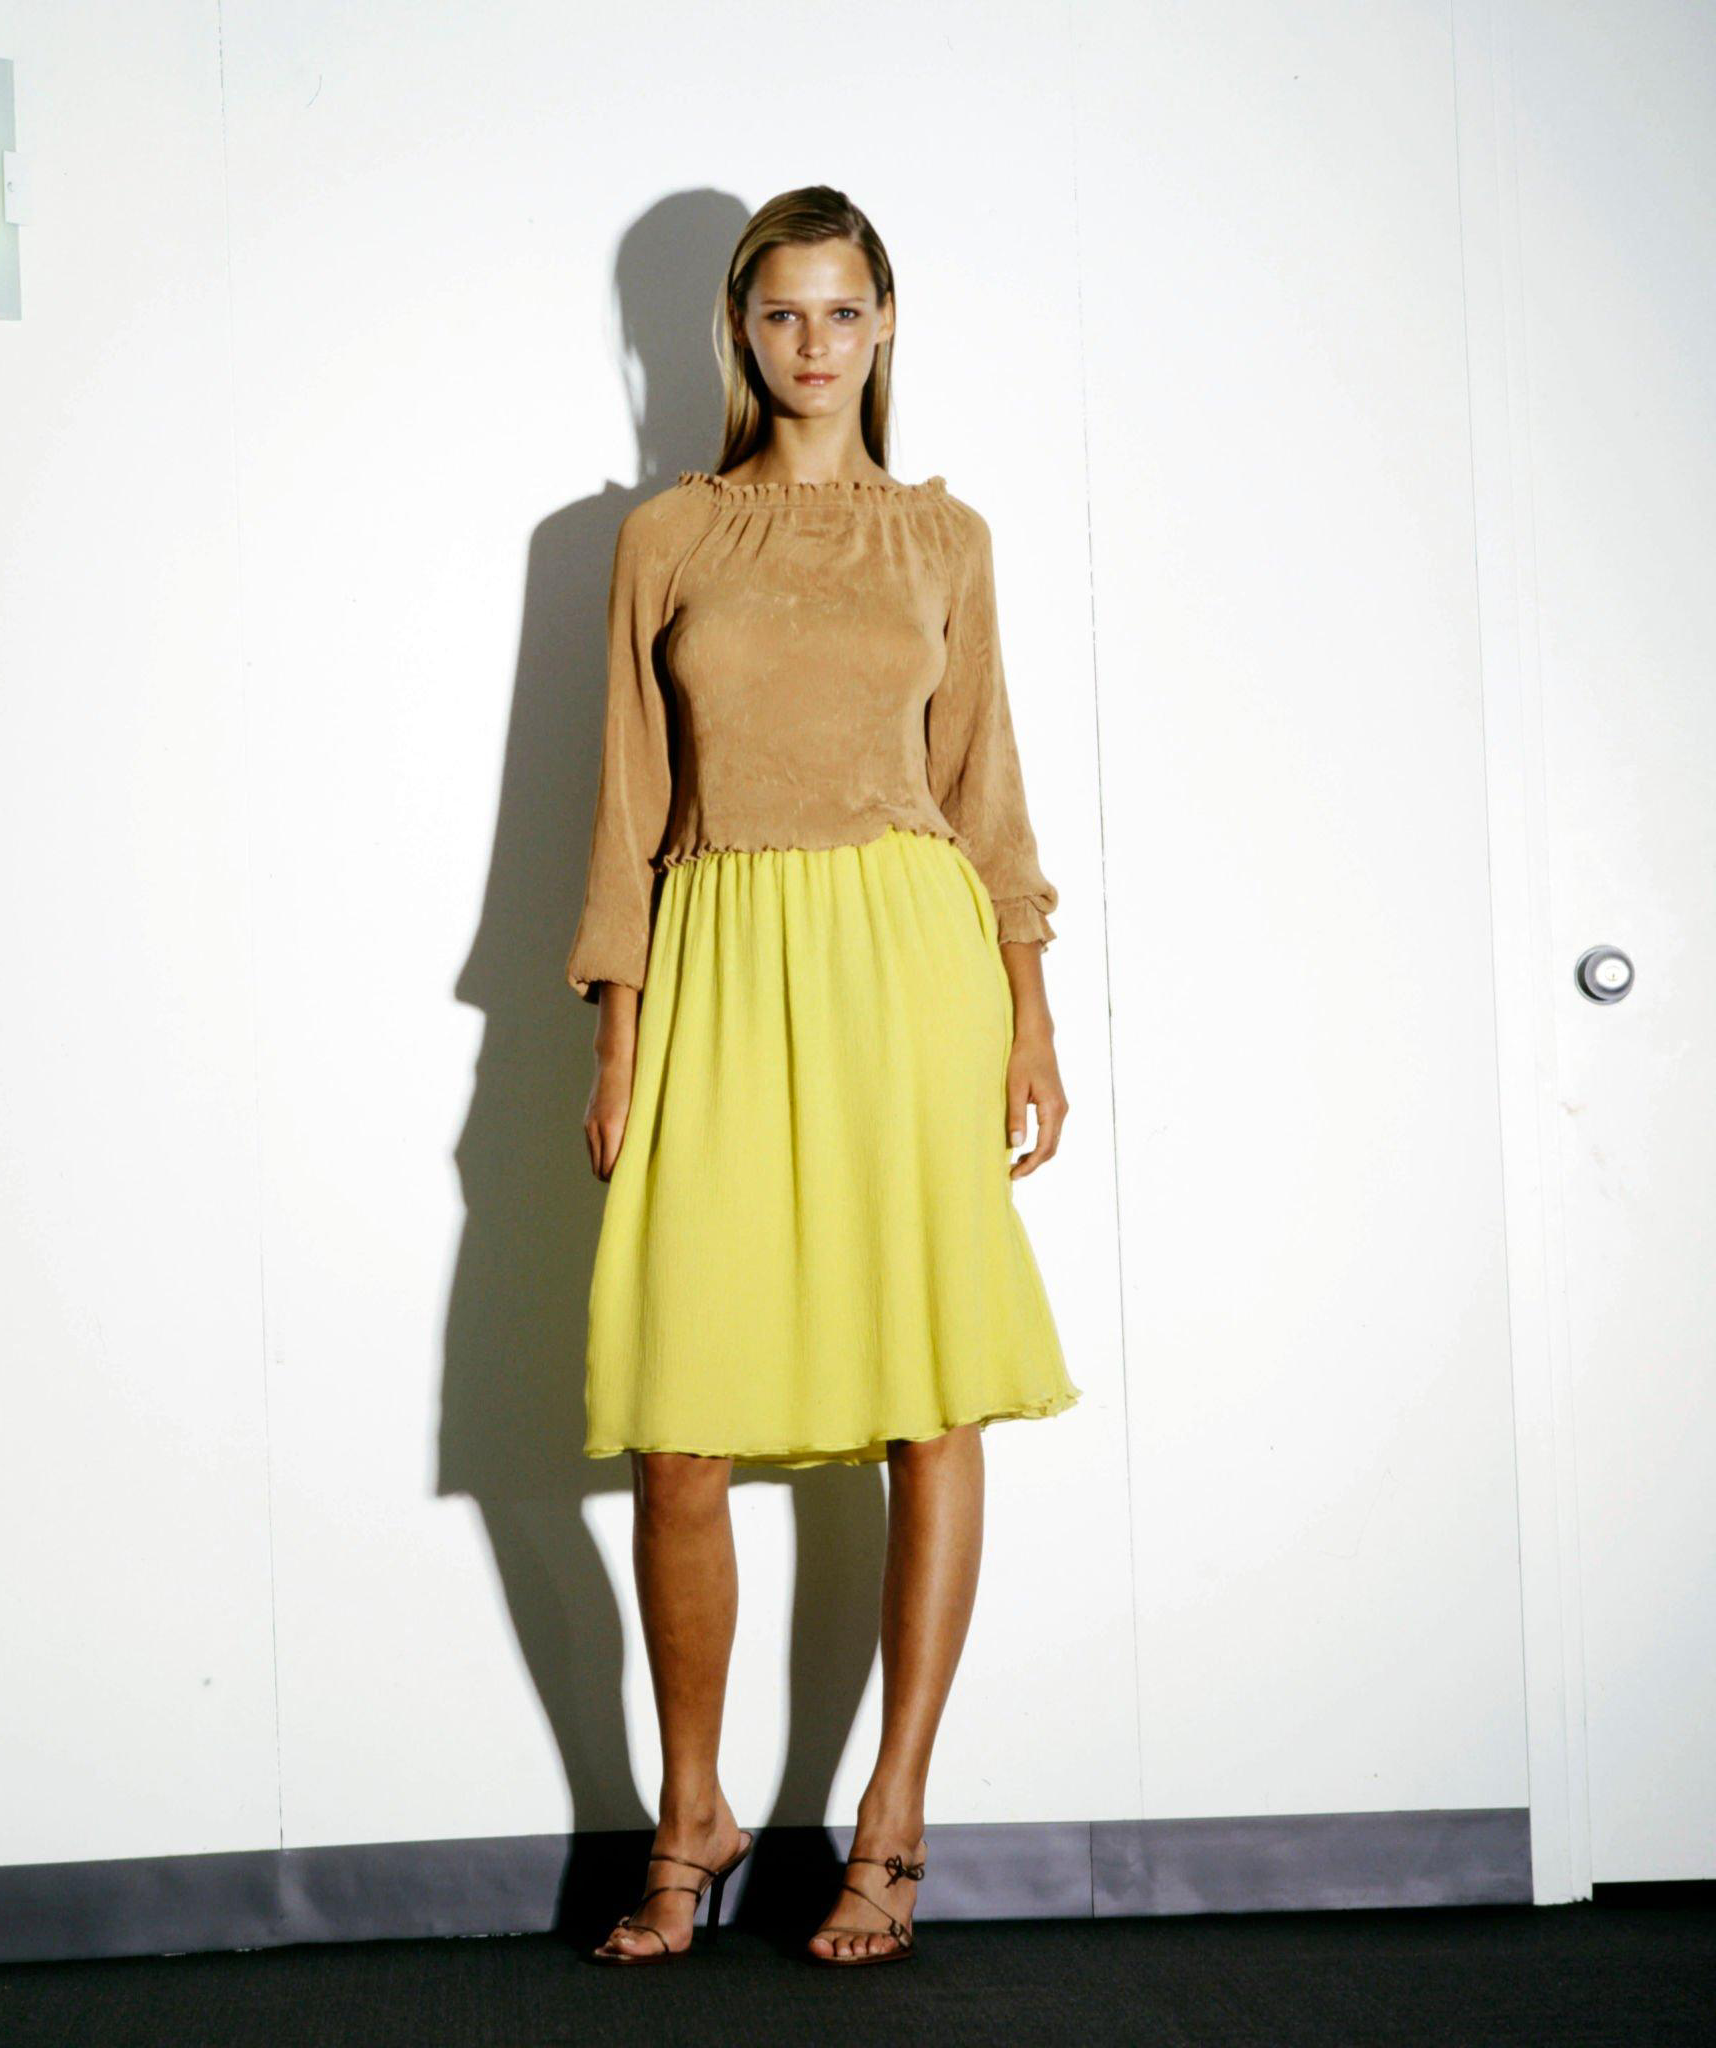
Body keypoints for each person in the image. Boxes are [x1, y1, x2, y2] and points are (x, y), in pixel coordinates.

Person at [565, 185, 1082, 1968]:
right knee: (680, 1426)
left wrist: (1027, 1009)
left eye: (841, 311)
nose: (811, 343)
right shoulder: (665, 536)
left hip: (908, 967)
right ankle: (691, 1811)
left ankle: (893, 1818)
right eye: (780, 312)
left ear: (882, 326)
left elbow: (985, 781)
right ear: (737, 330)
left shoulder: (945, 539)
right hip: (718, 966)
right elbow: (628, 801)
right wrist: (618, 1031)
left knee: (931, 1398)